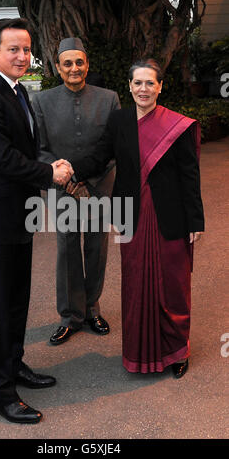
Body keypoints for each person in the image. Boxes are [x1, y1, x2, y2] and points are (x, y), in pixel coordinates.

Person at [0, 18, 73, 424]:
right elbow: (0, 158)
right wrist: (48, 175)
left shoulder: (18, 90)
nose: (22, 56)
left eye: (26, 49)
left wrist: (47, 162)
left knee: (16, 300)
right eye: (13, 49)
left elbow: (25, 148)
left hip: (17, 217)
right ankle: (1, 394)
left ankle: (15, 365)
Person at [69, 59, 204, 378]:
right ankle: (140, 353)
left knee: (173, 286)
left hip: (170, 217)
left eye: (150, 83)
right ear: (129, 86)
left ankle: (177, 351)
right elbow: (100, 157)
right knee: (136, 285)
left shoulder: (178, 125)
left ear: (160, 86)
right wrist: (69, 169)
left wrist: (195, 221)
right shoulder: (119, 121)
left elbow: (189, 176)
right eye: (138, 83)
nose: (144, 89)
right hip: (131, 214)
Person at [32, 37, 121, 345]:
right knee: (67, 250)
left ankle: (93, 309)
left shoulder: (109, 98)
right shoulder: (41, 102)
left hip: (99, 186)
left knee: (97, 248)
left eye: (79, 62)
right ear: (58, 67)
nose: (74, 68)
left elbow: (114, 147)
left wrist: (87, 177)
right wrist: (62, 177)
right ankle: (71, 316)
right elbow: (38, 148)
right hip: (61, 189)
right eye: (67, 63)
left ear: (87, 65)